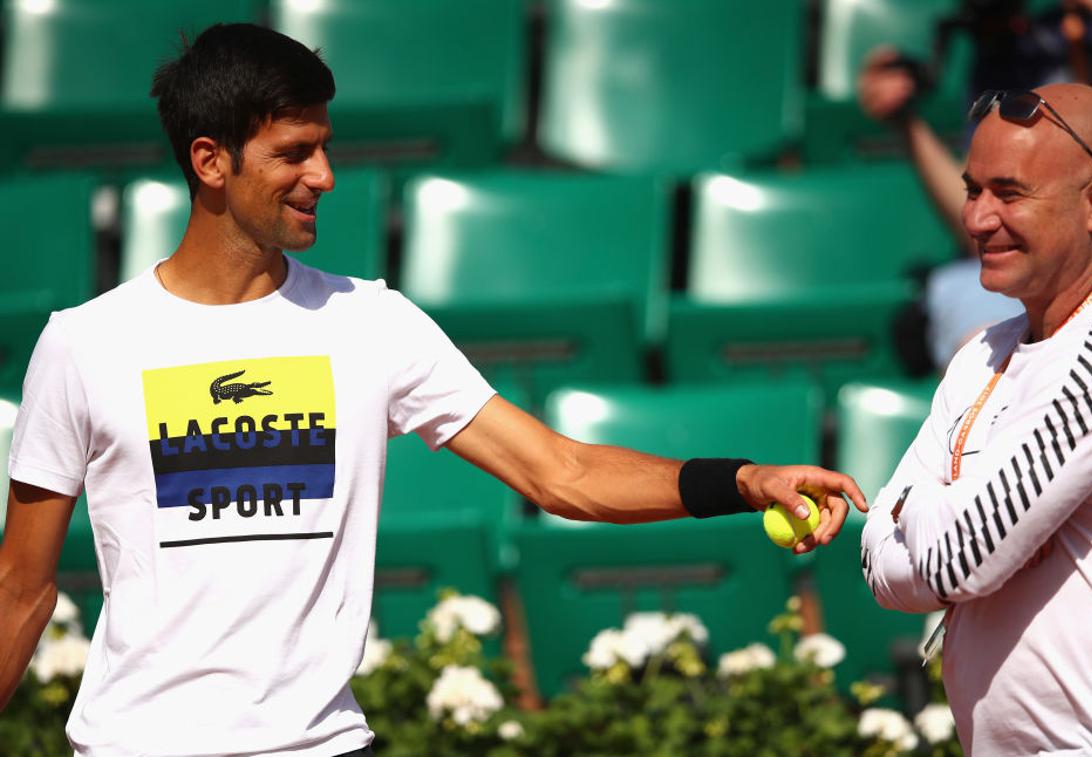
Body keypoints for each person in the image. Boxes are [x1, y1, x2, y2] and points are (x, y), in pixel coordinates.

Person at [0, 23, 867, 756]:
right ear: (210, 161)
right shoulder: (84, 344)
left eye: (326, 146)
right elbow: (21, 589)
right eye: (293, 153)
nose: (325, 176)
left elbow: (559, 472)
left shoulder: (370, 321)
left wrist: (744, 479)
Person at [860, 82, 1092, 753]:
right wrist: (953, 514)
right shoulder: (982, 352)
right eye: (973, 189)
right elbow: (879, 566)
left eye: (1009, 193)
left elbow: (954, 560)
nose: (979, 218)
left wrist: (916, 502)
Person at [858, 0, 1092, 369]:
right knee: (967, 302)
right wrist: (908, 125)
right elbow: (986, 221)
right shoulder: (1018, 34)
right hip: (1043, 282)